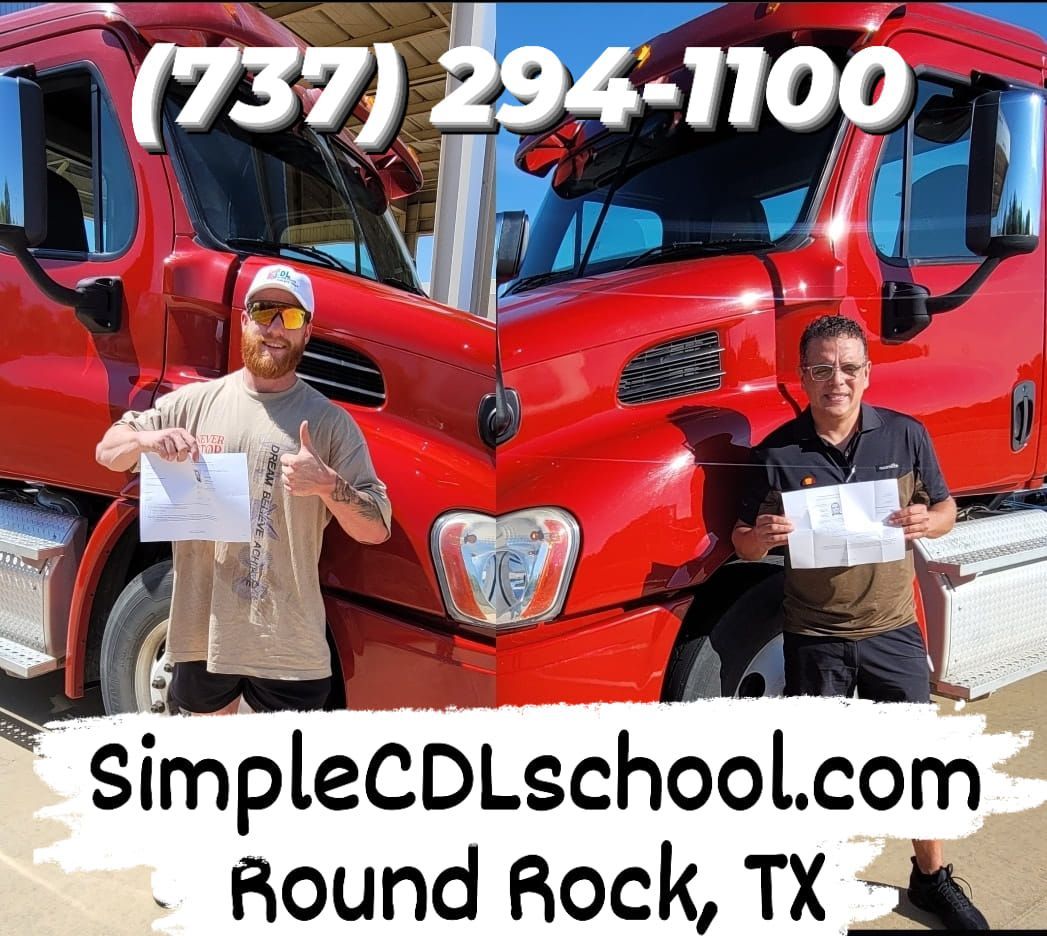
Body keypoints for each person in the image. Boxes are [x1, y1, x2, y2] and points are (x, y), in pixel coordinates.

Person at [732, 314, 987, 931]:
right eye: (822, 369)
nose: (836, 380)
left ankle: (931, 880)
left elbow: (948, 506)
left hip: (892, 629)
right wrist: (761, 536)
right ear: (803, 377)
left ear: (867, 375)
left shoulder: (905, 436)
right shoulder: (778, 453)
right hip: (814, 636)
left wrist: (931, 522)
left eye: (848, 367)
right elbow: (740, 542)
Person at [95, 264, 392, 716]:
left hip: (290, 649)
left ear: (307, 332)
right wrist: (145, 440)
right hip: (203, 637)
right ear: (243, 320)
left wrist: (329, 486)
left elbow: (377, 528)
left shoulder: (331, 424)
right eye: (264, 311)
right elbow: (107, 451)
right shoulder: (191, 405)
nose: (275, 328)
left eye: (290, 318)